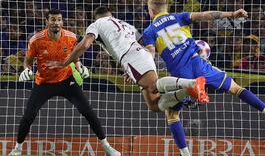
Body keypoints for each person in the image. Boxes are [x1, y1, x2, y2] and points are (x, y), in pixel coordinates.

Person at [143, 0, 265, 156]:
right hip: (199, 63)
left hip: (180, 73)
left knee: (172, 114)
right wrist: (232, 14)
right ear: (166, 8)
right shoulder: (179, 17)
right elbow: (205, 15)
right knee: (236, 88)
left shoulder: (149, 31)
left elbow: (149, 54)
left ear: (151, 11)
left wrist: (136, 71)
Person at [46, 6, 209, 114]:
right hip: (137, 57)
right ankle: (186, 93)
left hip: (132, 57)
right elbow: (142, 40)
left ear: (96, 17)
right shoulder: (123, 24)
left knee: (153, 87)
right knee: (153, 105)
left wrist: (65, 62)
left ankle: (191, 85)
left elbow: (85, 45)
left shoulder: (96, 24)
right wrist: (130, 68)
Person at [8, 9, 120, 156]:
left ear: (62, 22)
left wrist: (80, 67)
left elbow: (74, 56)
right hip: (44, 82)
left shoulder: (71, 37)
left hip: (67, 81)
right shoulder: (36, 39)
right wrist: (27, 70)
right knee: (29, 115)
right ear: (46, 22)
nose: (56, 23)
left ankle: (106, 146)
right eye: (53, 20)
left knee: (87, 111)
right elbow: (28, 61)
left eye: (59, 19)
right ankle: (17, 148)